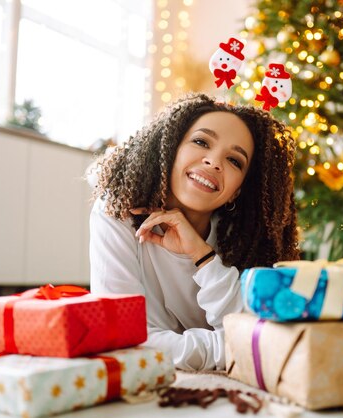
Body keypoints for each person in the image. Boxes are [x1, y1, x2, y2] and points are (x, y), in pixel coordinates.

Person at [89, 93, 299, 370]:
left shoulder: (247, 237)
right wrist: (232, 347)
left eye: (235, 161)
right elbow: (124, 340)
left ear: (238, 189)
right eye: (201, 142)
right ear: (171, 148)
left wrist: (202, 255)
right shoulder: (118, 211)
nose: (214, 162)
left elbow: (257, 328)